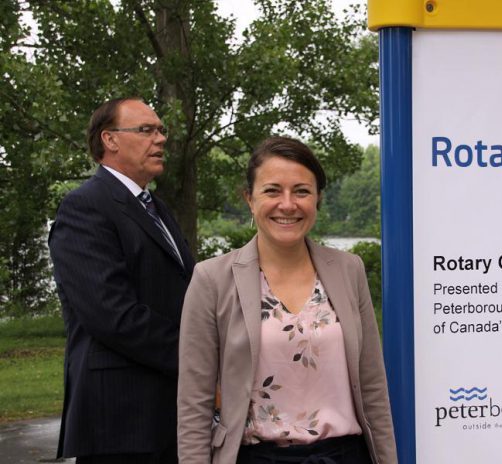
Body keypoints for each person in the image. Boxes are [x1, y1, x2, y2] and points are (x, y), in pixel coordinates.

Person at [178, 136, 397, 463]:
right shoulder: (212, 279)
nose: (288, 203)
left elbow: (373, 388)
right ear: (249, 199)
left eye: (302, 191)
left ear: (318, 200)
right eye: (272, 190)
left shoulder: (349, 270)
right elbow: (194, 404)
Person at [49, 97, 194, 463]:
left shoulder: (157, 209)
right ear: (110, 139)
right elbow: (112, 315)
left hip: (169, 415)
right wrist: (200, 358)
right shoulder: (85, 207)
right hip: (119, 422)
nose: (160, 139)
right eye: (146, 130)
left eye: (162, 130)